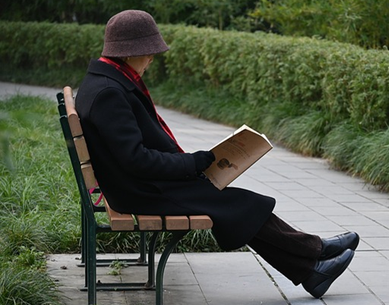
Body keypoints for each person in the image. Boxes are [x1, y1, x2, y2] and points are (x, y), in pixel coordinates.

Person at [75, 9, 359, 299]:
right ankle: (315, 254)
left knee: (238, 204)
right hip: (141, 190)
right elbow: (136, 159)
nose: (151, 59)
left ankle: (312, 269)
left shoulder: (106, 81)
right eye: (149, 52)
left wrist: (195, 164)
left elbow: (133, 156)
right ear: (130, 52)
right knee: (239, 204)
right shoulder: (110, 92)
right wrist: (193, 162)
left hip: (139, 184)